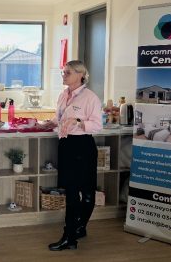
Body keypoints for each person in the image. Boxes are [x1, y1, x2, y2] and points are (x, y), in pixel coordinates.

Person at [42, 60, 102, 251]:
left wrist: (78, 121)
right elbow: (59, 118)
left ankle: (71, 236)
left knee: (85, 191)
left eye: (67, 72)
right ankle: (78, 229)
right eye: (63, 72)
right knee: (70, 190)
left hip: (82, 146)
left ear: (80, 75)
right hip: (66, 145)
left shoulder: (90, 97)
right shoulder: (63, 95)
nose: (64, 75)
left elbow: (97, 125)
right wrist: (47, 124)